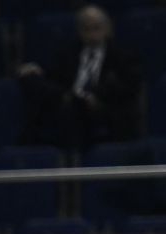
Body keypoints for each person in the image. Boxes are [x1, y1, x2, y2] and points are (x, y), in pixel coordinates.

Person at [18, 5, 140, 152]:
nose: (92, 35)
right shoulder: (68, 53)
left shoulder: (121, 57)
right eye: (87, 29)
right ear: (80, 31)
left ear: (107, 29)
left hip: (101, 107)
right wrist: (37, 70)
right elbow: (54, 76)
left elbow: (128, 87)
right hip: (69, 103)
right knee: (32, 81)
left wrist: (97, 97)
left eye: (96, 28)